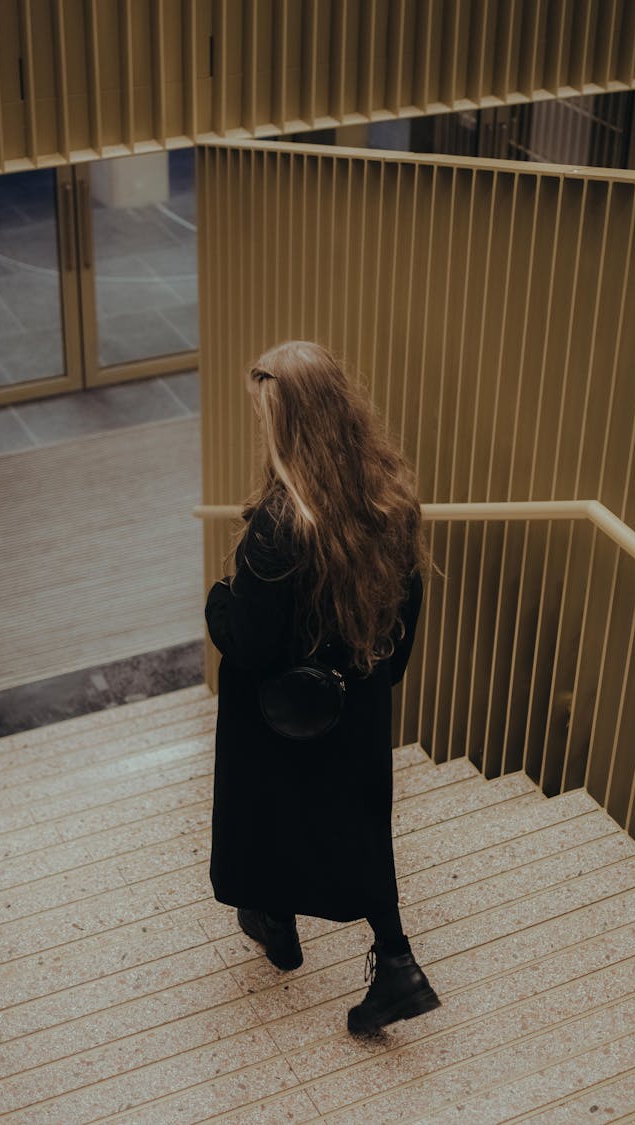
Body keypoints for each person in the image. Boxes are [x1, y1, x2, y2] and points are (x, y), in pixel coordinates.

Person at [204, 339, 440, 1035]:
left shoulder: (279, 527)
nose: (261, 428)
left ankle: (276, 923)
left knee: (268, 813)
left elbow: (247, 638)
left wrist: (218, 599)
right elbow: (410, 601)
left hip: (280, 710)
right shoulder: (389, 495)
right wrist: (376, 681)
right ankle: (393, 963)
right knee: (359, 825)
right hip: (358, 696)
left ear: (292, 424)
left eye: (265, 415)